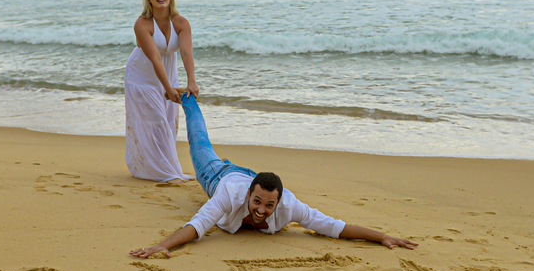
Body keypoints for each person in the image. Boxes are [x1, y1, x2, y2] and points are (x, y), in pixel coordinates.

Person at [130, 94, 417, 258]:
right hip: (219, 177)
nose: (261, 210)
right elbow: (198, 225)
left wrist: (382, 237)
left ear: (278, 203)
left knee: (249, 178)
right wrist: (162, 246)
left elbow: (334, 227)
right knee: (199, 142)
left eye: (269, 205)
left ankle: (236, 167)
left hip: (252, 177)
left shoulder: (290, 205)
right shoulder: (230, 196)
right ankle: (188, 98)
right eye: (257, 202)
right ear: (249, 195)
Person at [124, 0, 198, 184]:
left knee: (168, 123)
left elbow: (186, 54)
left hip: (168, 75)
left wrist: (191, 81)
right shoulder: (142, 23)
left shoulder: (181, 23)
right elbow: (155, 58)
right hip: (142, 78)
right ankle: (166, 174)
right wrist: (168, 88)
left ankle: (170, 169)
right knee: (157, 121)